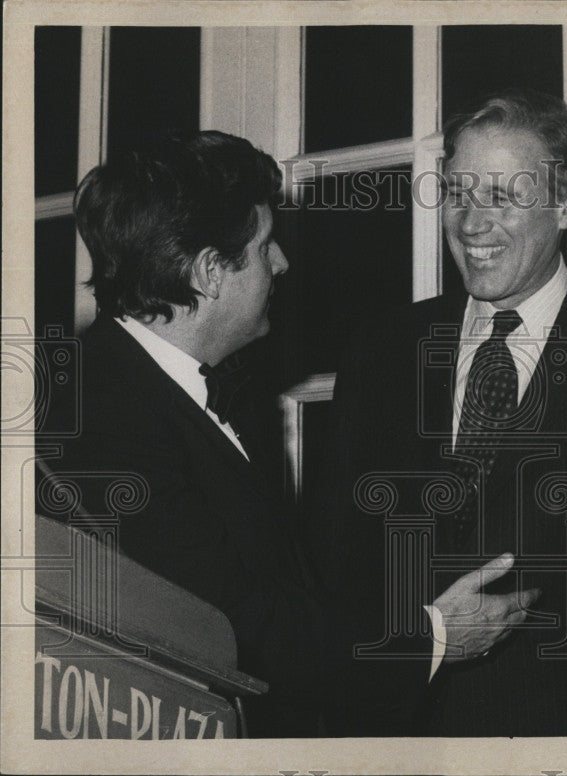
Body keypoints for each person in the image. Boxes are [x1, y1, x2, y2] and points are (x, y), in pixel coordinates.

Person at [41, 131, 515, 737]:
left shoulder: (197, 386)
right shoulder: (99, 415)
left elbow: (278, 585)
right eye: (265, 246)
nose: (282, 263)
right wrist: (437, 637)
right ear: (211, 272)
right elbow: (227, 624)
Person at [316, 89, 567, 736]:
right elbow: (336, 568)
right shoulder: (381, 351)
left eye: (502, 197)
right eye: (458, 193)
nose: (471, 223)